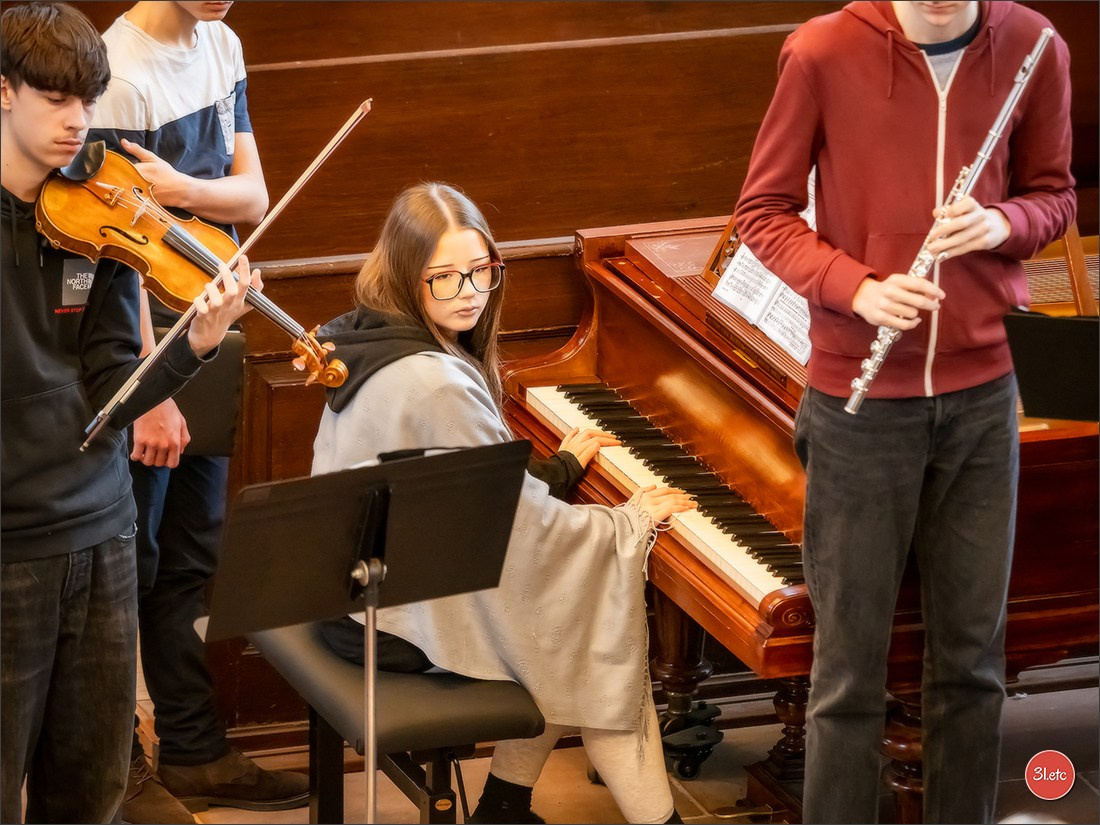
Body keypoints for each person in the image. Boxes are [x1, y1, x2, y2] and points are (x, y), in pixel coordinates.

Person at [733, 2, 1074, 823]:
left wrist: (1001, 222)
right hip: (859, 405)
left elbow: (1053, 197)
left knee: (972, 666)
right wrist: (858, 287)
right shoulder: (820, 51)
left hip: (986, 396)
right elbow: (763, 213)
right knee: (848, 676)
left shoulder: (1036, 46)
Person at [311, 182, 696, 824]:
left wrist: (561, 467)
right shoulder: (434, 379)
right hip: (387, 622)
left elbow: (468, 483)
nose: (467, 293)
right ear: (409, 277)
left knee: (557, 610)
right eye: (445, 278)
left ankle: (504, 804)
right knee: (587, 613)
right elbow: (525, 529)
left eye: (480, 272)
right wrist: (626, 524)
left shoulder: (366, 335)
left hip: (358, 590)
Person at [0, 3, 259, 823]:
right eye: (57, 102)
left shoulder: (96, 211)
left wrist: (195, 346)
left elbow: (117, 378)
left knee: (93, 790)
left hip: (103, 529)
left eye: (88, 102)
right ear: (3, 93)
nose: (80, 125)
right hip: (11, 547)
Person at [86, 2, 308, 820]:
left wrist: (183, 189)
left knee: (188, 559)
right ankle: (120, 765)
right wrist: (154, 389)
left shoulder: (223, 42)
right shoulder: (117, 72)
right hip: (148, 352)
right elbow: (117, 247)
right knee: (129, 568)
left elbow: (252, 196)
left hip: (212, 321)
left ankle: (192, 748)